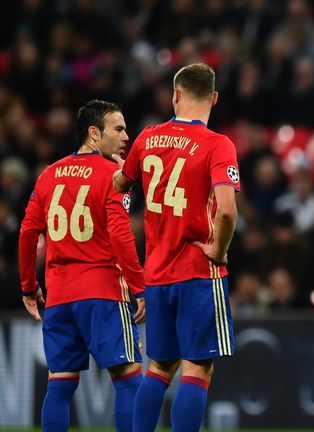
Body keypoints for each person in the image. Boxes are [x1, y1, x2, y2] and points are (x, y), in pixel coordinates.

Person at [112, 63, 240, 431]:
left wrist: (123, 169)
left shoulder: (147, 138)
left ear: (176, 95)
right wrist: (218, 248)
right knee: (198, 368)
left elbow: (121, 183)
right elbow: (227, 211)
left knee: (159, 367)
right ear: (214, 98)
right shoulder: (218, 144)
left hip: (156, 273)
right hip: (197, 271)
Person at [18, 100, 145, 432]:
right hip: (102, 292)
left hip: (59, 297)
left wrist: (29, 286)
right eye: (118, 129)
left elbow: (28, 232)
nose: (125, 137)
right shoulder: (113, 176)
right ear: (94, 133)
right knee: (129, 380)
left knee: (59, 386)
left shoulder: (48, 175)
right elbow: (120, 233)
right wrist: (139, 287)